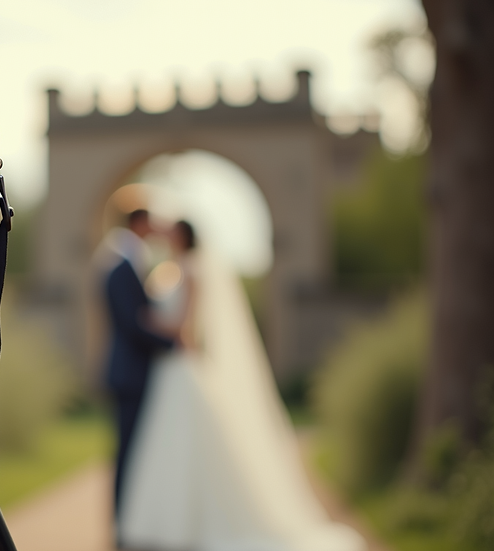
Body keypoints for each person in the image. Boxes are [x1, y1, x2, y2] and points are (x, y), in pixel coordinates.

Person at [117, 220, 365, 551]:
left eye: (171, 231)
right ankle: (165, 521)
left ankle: (195, 520)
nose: (164, 235)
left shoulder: (191, 270)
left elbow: (186, 327)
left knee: (190, 442)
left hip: (180, 365)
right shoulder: (167, 269)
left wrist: (150, 323)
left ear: (183, 236)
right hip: (167, 371)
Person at [99, 209, 177, 526]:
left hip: (137, 372)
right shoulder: (120, 268)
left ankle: (132, 519)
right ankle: (121, 523)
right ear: (138, 223)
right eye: (151, 222)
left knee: (138, 451)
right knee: (127, 451)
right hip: (129, 374)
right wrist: (174, 345)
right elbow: (132, 325)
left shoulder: (131, 264)